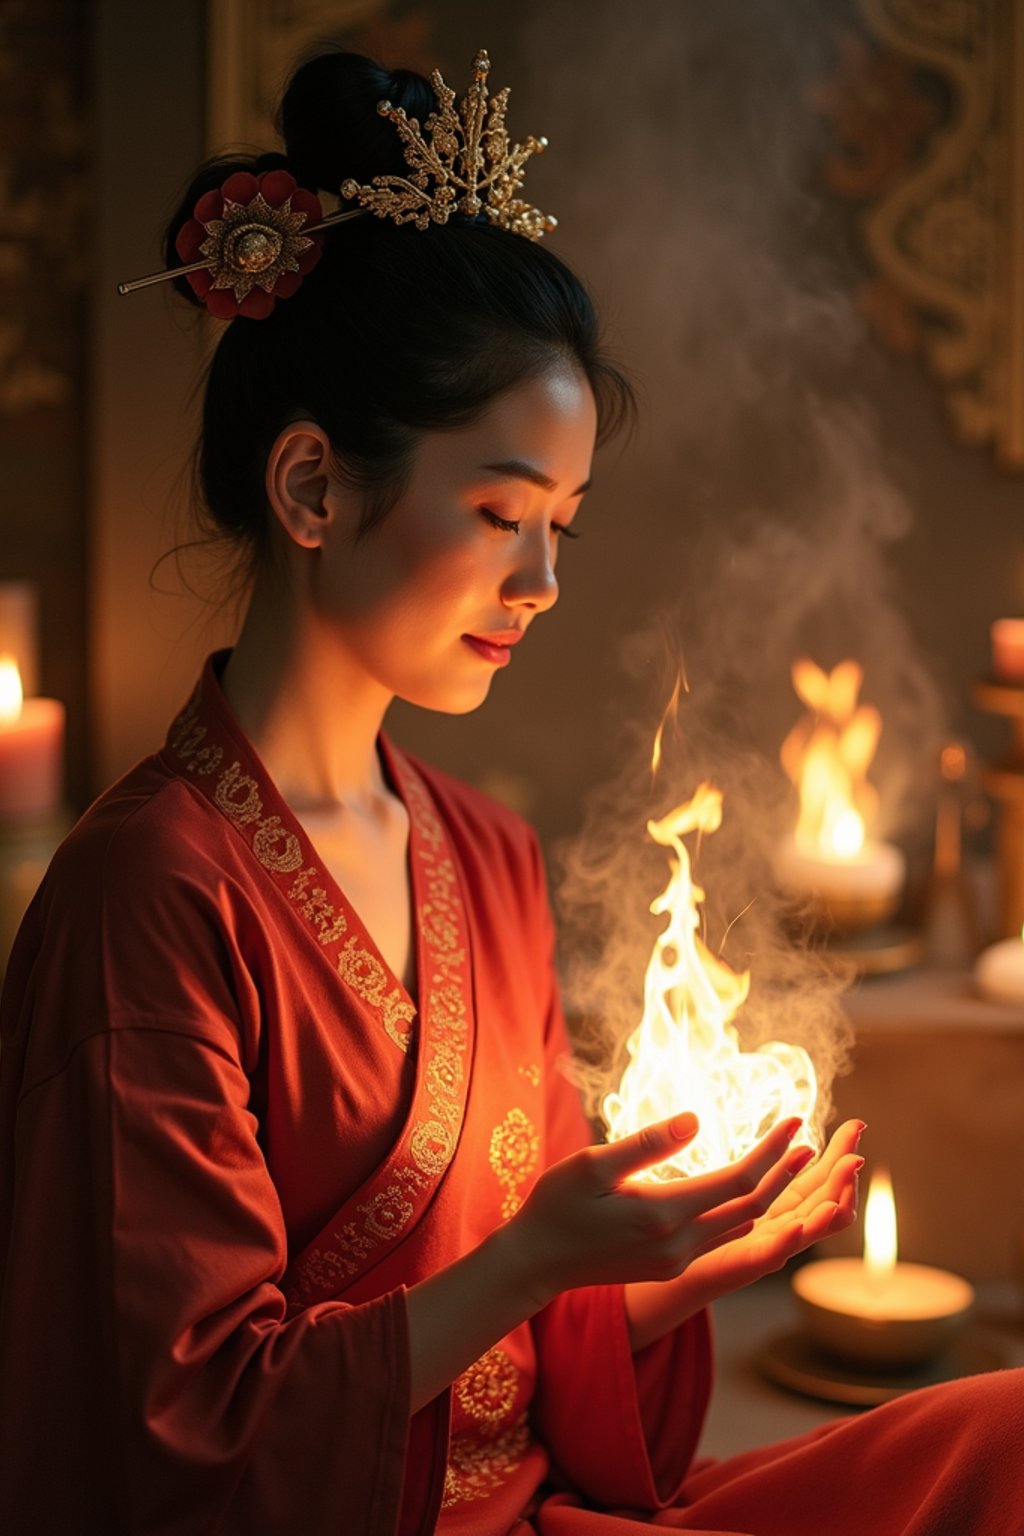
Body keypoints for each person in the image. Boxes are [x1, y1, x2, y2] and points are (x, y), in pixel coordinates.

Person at [0, 46, 1019, 1536]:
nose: (540, 583)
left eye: (563, 525)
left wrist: (658, 1281)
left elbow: (532, 1365)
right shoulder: (150, 895)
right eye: (496, 514)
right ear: (311, 490)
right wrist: (542, 1258)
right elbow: (178, 1438)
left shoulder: (483, 855)